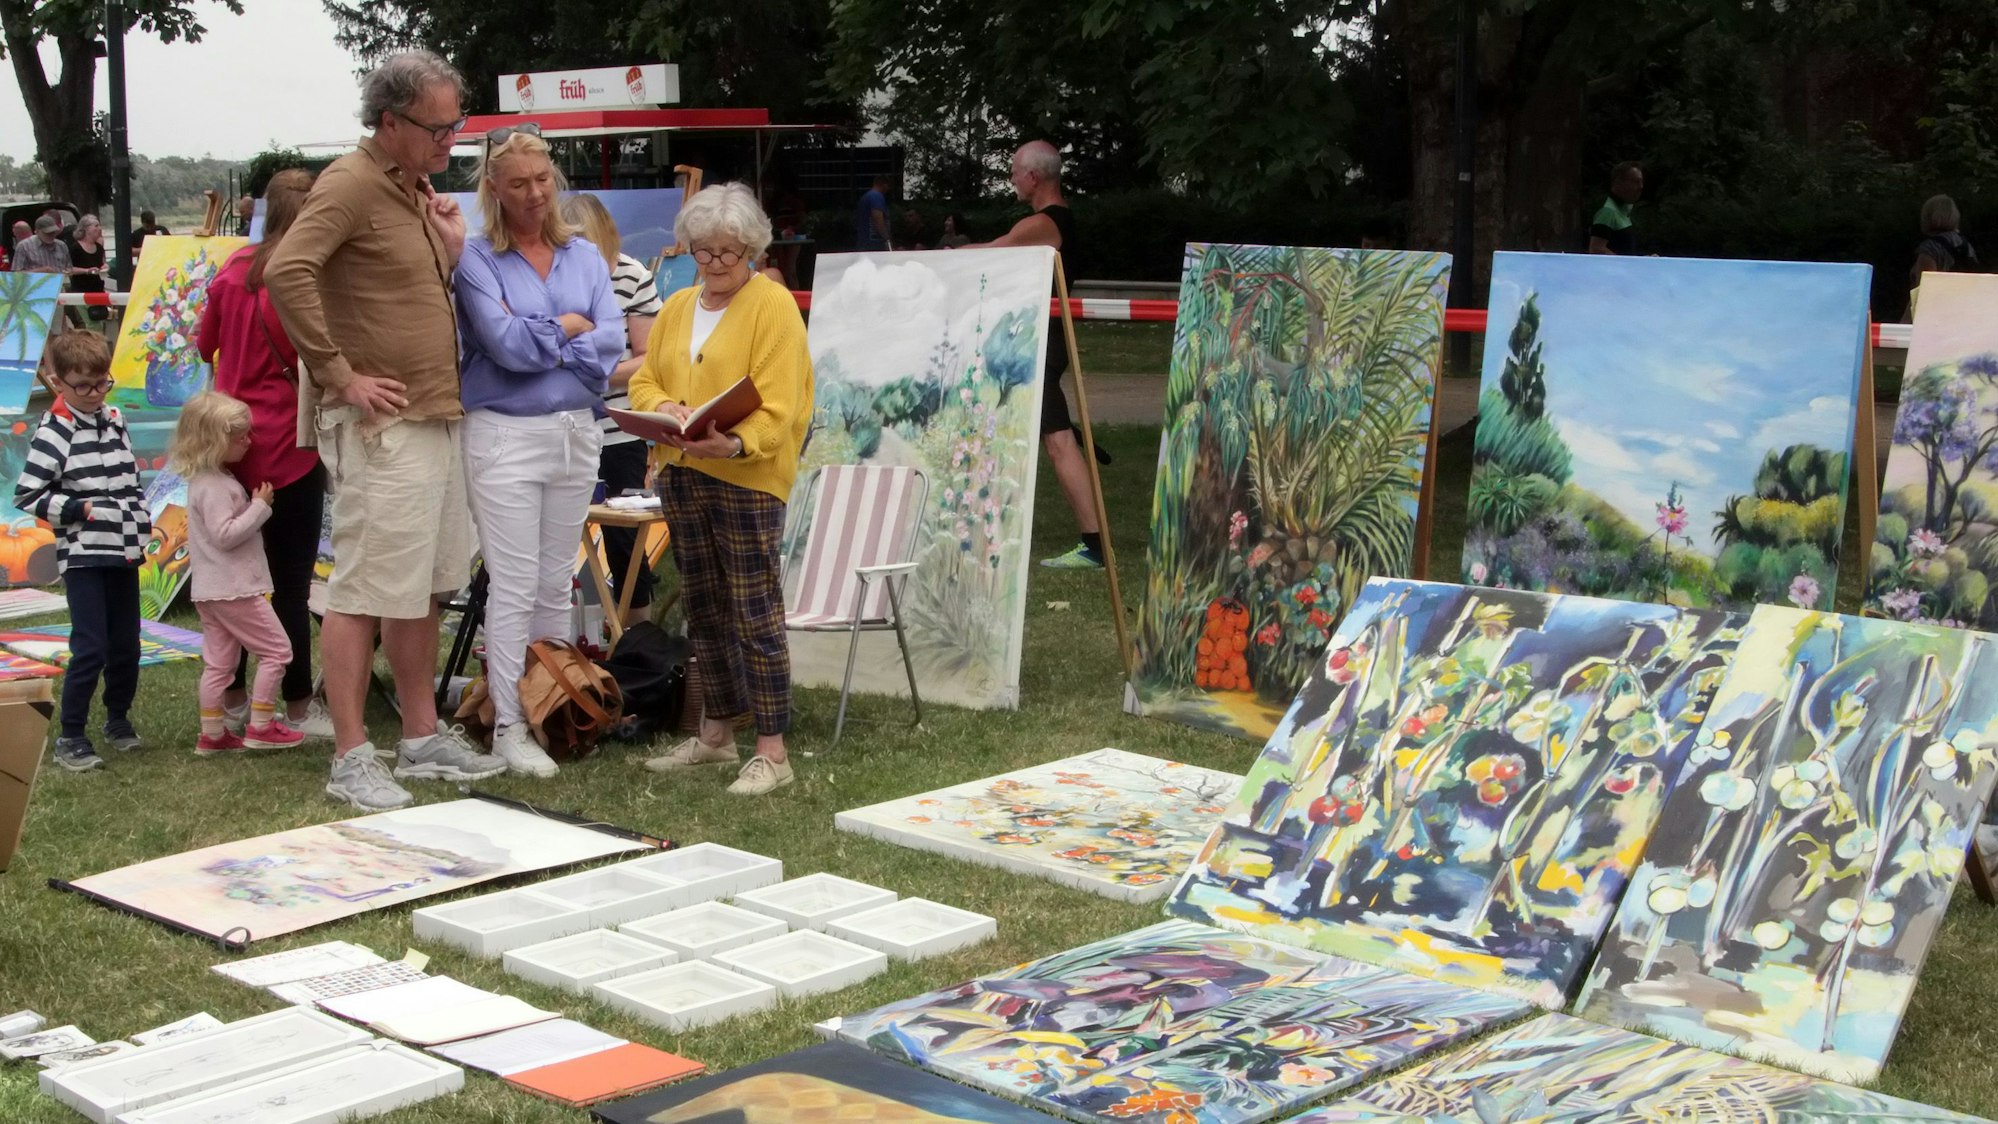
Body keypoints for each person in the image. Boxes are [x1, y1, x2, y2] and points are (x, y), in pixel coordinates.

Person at [266, 49, 507, 812]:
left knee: (424, 586)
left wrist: (451, 251)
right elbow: (286, 271)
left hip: (431, 414)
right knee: (365, 588)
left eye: (456, 125)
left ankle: (421, 736)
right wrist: (339, 375)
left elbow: (398, 290)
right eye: (438, 128)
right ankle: (350, 754)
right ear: (390, 121)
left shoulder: (409, 188)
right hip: (382, 426)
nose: (451, 141)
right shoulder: (349, 182)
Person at [629, 184, 813, 797]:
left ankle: (772, 749)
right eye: (703, 250)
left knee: (754, 608)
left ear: (753, 250)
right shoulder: (678, 306)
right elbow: (645, 381)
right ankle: (715, 734)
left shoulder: (773, 305)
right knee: (703, 607)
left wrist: (734, 443)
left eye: (727, 252)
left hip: (747, 475)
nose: (713, 263)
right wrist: (665, 409)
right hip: (683, 470)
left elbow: (783, 402)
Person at [455, 127, 624, 777]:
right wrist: (569, 330)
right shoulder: (476, 258)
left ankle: (549, 704)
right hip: (504, 434)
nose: (533, 193)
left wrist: (546, 338)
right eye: (519, 183)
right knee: (515, 581)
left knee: (557, 580)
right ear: (493, 188)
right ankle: (507, 724)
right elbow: (502, 345)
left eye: (542, 179)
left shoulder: (585, 256)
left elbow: (608, 345)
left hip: (577, 430)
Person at [198, 167, 330, 739]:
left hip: (230, 449)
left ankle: (229, 698)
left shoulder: (232, 272)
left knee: (230, 585)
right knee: (291, 586)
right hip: (293, 451)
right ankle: (296, 705)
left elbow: (204, 344)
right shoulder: (309, 278)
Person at [960, 140, 1107, 569]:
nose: (1011, 179)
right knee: (1046, 435)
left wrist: (942, 257)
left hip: (1046, 339)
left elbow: (993, 252)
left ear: (1034, 177)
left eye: (1013, 172)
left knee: (1059, 442)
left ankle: (1095, 546)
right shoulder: (1053, 221)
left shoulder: (1045, 223)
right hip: (1039, 336)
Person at [13, 332, 147, 771]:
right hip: (84, 553)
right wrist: (78, 509)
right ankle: (70, 735)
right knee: (91, 645)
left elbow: (128, 479)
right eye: (83, 385)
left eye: (102, 382)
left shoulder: (115, 419)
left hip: (123, 549)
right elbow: (27, 495)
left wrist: (139, 519)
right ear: (58, 383)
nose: (94, 393)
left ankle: (118, 719)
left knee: (126, 643)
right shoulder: (53, 431)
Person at [170, 392, 305, 756]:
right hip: (235, 589)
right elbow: (225, 535)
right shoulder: (216, 486)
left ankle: (212, 732)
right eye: (239, 436)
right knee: (277, 651)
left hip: (211, 591)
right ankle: (262, 725)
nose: (248, 441)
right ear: (213, 442)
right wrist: (259, 507)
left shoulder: (204, 480)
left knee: (219, 664)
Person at [563, 192, 665, 627]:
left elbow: (650, 359)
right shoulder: (546, 276)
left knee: (624, 540)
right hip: (562, 428)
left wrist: (595, 376)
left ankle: (636, 639)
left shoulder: (632, 275)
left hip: (620, 430)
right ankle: (558, 642)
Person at [1909, 194, 1979, 301]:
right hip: (1966, 302)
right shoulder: (1967, 246)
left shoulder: (1929, 248)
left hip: (1938, 305)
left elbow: (1924, 290)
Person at [1588, 162, 1643, 255]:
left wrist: (1644, 260)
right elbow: (1596, 249)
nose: (1641, 186)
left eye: (1641, 182)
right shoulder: (1607, 211)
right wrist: (1625, 263)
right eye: (1635, 182)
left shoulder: (1623, 209)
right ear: (1618, 183)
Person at [64, 214, 108, 322]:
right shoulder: (75, 248)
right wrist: (86, 271)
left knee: (100, 321)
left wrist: (105, 266)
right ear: (86, 229)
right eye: (96, 226)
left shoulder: (99, 248)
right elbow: (68, 269)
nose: (99, 229)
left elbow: (103, 263)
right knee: (91, 323)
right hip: (82, 291)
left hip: (98, 291)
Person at [854, 174, 891, 251]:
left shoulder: (866, 196)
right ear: (884, 185)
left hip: (863, 241)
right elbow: (877, 218)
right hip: (874, 243)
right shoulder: (876, 196)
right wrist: (886, 237)